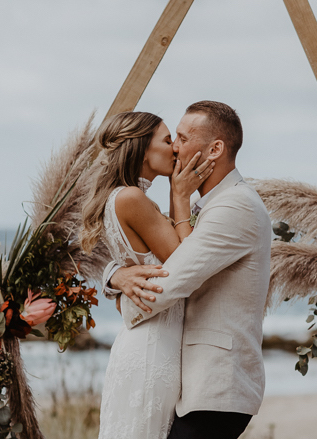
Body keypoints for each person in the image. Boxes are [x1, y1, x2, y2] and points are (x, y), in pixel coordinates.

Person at [105, 101, 272, 439]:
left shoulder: (234, 206)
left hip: (217, 384)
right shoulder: (208, 206)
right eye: (172, 139)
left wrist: (123, 300)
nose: (176, 147)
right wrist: (114, 276)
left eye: (181, 137)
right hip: (193, 382)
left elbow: (170, 281)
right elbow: (153, 255)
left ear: (215, 149)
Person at [80, 111, 215, 439]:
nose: (175, 150)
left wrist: (114, 276)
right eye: (168, 140)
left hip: (153, 343)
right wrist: (181, 195)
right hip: (150, 350)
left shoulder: (130, 198)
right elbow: (182, 260)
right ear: (142, 149)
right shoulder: (131, 198)